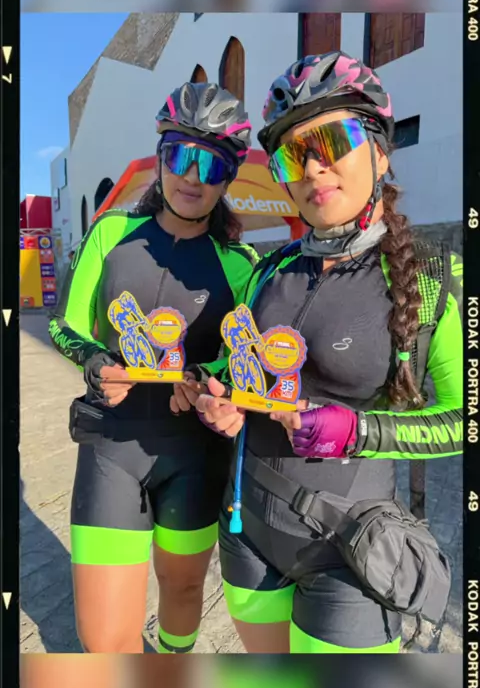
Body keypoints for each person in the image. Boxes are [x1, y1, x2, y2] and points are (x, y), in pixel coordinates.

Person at [181, 52, 463, 654]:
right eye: (292, 155)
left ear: (380, 153)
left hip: (352, 552)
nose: (312, 167)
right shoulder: (269, 270)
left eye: (332, 141)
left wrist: (359, 431)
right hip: (247, 530)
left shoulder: (435, 275)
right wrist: (217, 395)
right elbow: (239, 369)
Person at [49, 81, 258, 653]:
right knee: (104, 641)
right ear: (161, 158)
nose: (192, 176)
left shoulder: (241, 264)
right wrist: (94, 363)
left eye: (212, 165)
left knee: (183, 589)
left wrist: (208, 379)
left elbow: (245, 361)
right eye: (181, 156)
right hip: (111, 448)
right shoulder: (111, 233)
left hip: (194, 453)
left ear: (229, 178)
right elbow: (64, 324)